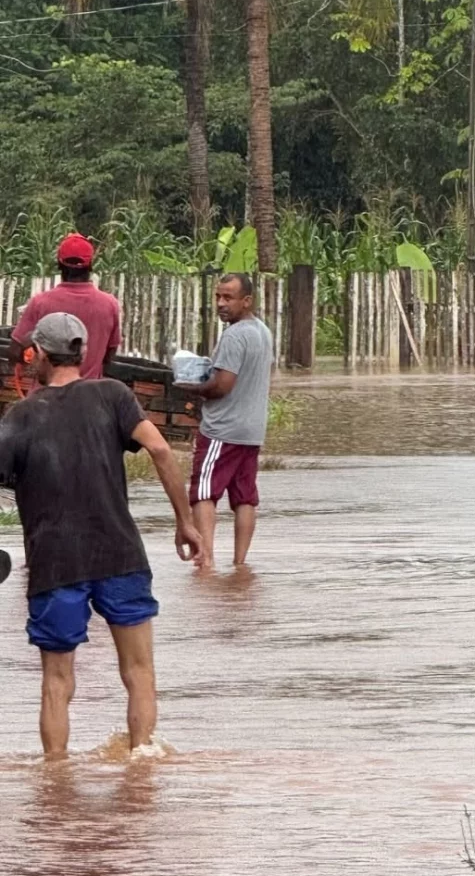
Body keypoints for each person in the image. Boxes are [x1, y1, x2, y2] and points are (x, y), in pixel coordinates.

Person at [0, 312, 202, 760]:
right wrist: (185, 521)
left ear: (39, 356)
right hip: (120, 555)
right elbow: (161, 448)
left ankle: (55, 781)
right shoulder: (113, 395)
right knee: (139, 671)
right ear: (83, 352)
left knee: (56, 682)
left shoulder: (21, 416)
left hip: (55, 564)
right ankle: (142, 770)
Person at [182, 273, 273, 571]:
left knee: (203, 491)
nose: (221, 304)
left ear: (247, 300)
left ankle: (205, 560)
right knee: (244, 496)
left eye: (228, 298)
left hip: (222, 429)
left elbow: (222, 385)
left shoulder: (235, 335)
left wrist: (192, 387)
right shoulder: (262, 331)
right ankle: (240, 565)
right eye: (218, 297)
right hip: (251, 430)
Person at [9, 233, 122, 381]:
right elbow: (108, 356)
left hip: (44, 399)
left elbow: (15, 351)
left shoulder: (40, 303)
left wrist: (37, 362)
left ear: (59, 264)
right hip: (89, 399)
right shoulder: (109, 305)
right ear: (90, 265)